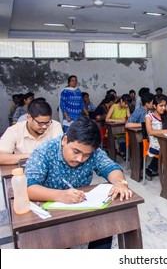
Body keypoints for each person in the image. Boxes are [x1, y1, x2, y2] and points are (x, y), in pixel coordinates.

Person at [25, 116, 133, 249]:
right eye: (76, 151)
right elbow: (29, 188)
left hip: (82, 206)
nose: (80, 159)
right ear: (65, 140)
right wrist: (61, 195)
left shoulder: (93, 152)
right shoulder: (44, 152)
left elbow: (111, 168)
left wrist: (119, 182)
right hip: (51, 214)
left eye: (86, 155)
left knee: (106, 221)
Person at [0, 100, 63, 165]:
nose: (44, 127)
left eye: (47, 123)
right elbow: (1, 158)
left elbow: (60, 154)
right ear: (29, 118)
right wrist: (33, 155)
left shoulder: (55, 126)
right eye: (40, 123)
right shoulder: (15, 130)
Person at [105, 94, 131, 158]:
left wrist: (127, 120)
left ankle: (125, 153)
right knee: (122, 140)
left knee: (130, 140)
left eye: (128, 104)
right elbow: (107, 119)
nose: (126, 105)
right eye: (125, 103)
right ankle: (122, 153)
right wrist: (119, 120)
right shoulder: (114, 106)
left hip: (123, 130)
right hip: (114, 130)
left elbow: (130, 118)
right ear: (121, 100)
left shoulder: (126, 107)